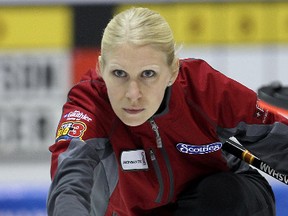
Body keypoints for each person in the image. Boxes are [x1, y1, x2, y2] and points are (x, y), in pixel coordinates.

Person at [47, 7, 288, 216]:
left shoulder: (203, 88)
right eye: (119, 74)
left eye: (148, 74)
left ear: (173, 70)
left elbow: (279, 141)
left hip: (221, 203)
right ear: (101, 69)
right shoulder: (88, 105)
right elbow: (69, 183)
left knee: (221, 196)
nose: (133, 93)